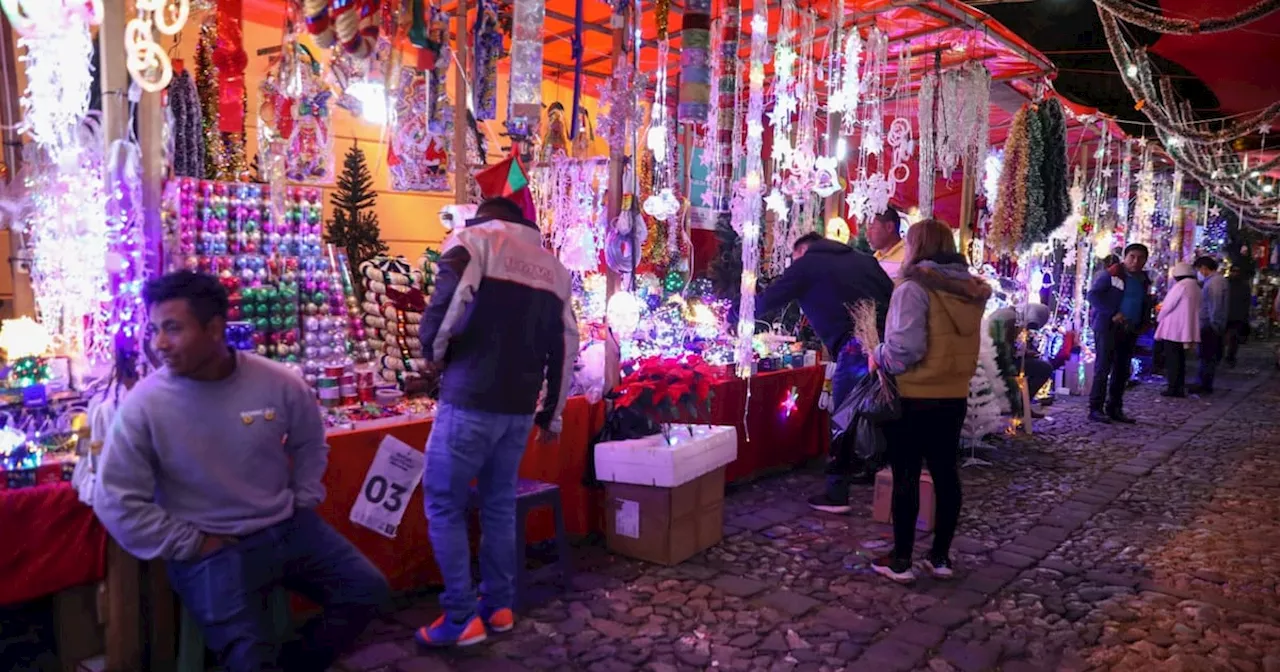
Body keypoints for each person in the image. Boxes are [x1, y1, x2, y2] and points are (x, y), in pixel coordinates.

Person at [93, 271, 389, 672]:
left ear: (215, 328)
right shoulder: (144, 406)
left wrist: (302, 501)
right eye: (155, 329)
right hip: (210, 546)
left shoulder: (279, 383)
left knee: (368, 590)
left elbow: (309, 442)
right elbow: (115, 498)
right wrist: (191, 543)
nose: (159, 343)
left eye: (173, 329)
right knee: (248, 657)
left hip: (287, 527)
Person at [415, 196, 579, 647]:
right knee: (499, 505)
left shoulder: (473, 241)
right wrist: (552, 413)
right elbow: (567, 345)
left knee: (445, 505)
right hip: (519, 409)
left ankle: (461, 617)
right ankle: (499, 606)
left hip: (469, 398)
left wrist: (431, 353)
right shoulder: (554, 268)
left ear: (483, 217)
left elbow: (448, 305)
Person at [868, 219, 990, 583]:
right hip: (952, 395)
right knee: (945, 473)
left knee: (906, 475)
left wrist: (878, 353)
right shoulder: (969, 292)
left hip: (915, 394)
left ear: (916, 246)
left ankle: (901, 559)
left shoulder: (913, 288)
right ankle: (940, 557)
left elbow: (906, 348)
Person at [756, 231, 893, 514]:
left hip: (855, 346)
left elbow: (770, 298)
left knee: (844, 416)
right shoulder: (866, 261)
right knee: (883, 412)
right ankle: (885, 479)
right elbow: (892, 296)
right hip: (887, 345)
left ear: (802, 251)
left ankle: (837, 492)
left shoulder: (808, 263)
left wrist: (734, 313)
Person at [1086, 245, 1152, 424]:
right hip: (1108, 327)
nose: (1135, 261)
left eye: (1140, 258)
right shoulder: (1112, 274)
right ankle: (1095, 408)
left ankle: (1115, 407)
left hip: (1130, 329)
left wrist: (1144, 321)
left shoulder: (1144, 279)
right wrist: (1112, 312)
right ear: (1125, 257)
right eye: (1132, 257)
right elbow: (1092, 296)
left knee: (1122, 370)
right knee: (1103, 368)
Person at [1153, 262, 1201, 398]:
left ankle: (1173, 387)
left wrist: (1159, 317)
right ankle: (1178, 386)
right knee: (1180, 359)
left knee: (1172, 358)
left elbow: (1168, 305)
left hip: (1173, 328)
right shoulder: (1195, 286)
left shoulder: (1181, 286)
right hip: (1185, 327)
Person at [1192, 256, 1228, 394]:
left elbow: (1216, 305)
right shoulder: (1214, 281)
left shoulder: (1215, 283)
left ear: (1204, 268)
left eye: (1198, 270)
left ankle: (1204, 384)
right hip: (1210, 324)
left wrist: (1215, 324)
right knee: (1206, 356)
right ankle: (1203, 382)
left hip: (1210, 325)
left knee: (1207, 356)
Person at [866, 206, 906, 278]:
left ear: (889, 227)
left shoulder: (908, 257)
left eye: (872, 228)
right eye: (867, 228)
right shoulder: (874, 259)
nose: (867, 234)